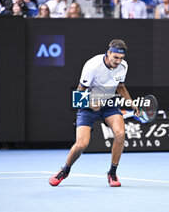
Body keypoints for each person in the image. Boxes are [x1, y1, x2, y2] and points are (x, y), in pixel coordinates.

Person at [49, 39, 139, 187]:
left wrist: (131, 103)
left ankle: (112, 173)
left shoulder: (123, 66)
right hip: (88, 106)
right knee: (81, 144)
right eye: (115, 57)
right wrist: (90, 103)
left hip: (109, 105)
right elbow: (78, 94)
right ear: (108, 52)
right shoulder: (92, 66)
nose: (118, 61)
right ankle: (65, 170)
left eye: (121, 58)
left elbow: (121, 87)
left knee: (120, 134)